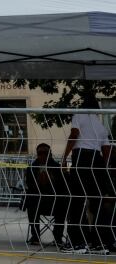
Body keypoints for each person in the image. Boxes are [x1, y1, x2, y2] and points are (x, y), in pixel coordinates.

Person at [61, 94, 114, 254]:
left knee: (77, 201)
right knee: (96, 202)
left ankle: (77, 243)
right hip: (97, 161)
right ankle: (98, 243)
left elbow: (74, 134)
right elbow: (106, 150)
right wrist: (103, 168)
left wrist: (64, 157)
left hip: (82, 158)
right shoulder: (101, 126)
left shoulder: (79, 115)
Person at [24, 143, 69, 247]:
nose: (43, 155)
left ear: (50, 154)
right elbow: (30, 186)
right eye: (40, 153)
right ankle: (35, 236)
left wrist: (52, 180)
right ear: (37, 154)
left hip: (54, 202)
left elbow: (63, 186)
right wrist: (38, 182)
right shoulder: (31, 168)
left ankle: (57, 237)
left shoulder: (57, 168)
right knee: (30, 202)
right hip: (38, 202)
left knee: (62, 203)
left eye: (45, 153)